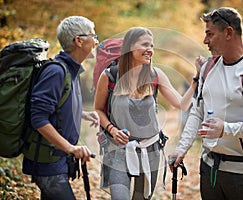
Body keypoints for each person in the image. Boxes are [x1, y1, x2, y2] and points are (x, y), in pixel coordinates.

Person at [168, 7, 243, 200]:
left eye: (210, 34)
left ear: (228, 32)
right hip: (209, 168)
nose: (205, 41)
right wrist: (181, 148)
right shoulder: (208, 68)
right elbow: (197, 112)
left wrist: (226, 129)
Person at [94, 27, 204, 200]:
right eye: (144, 44)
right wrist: (112, 130)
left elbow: (182, 104)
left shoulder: (155, 75)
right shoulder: (110, 76)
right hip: (118, 152)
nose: (150, 50)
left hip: (150, 151)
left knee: (142, 198)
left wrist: (196, 78)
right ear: (130, 47)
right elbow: (98, 110)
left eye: (152, 45)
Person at [22, 16, 100, 200]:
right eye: (93, 35)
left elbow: (57, 107)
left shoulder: (69, 71)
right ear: (78, 41)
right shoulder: (56, 71)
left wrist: (82, 114)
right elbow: (39, 118)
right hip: (48, 163)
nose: (96, 40)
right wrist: (71, 148)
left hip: (56, 161)